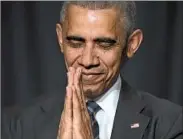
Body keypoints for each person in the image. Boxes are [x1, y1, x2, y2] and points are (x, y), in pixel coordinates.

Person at [2, 1, 182, 139]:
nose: (87, 61)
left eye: (104, 44)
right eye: (76, 42)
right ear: (60, 39)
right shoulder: (16, 126)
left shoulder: (170, 125)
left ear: (132, 44)